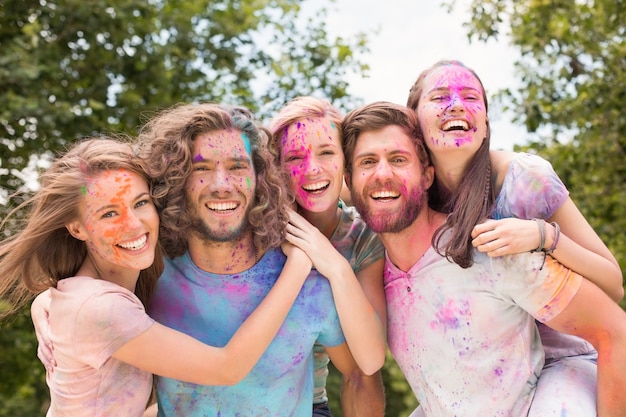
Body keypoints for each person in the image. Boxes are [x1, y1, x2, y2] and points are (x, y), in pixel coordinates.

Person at [340, 101, 626, 416]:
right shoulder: (368, 269)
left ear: (427, 176)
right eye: (368, 162)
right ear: (349, 182)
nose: (382, 173)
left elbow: (614, 331)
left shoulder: (491, 249)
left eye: (398, 159)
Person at [0, 137, 314, 417]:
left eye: (140, 203)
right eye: (109, 213)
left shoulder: (109, 285)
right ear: (77, 228)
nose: (134, 225)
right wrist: (299, 265)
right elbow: (227, 368)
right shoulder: (101, 308)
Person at [405, 59, 623, 415]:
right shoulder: (411, 194)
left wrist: (542, 236)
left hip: (558, 362)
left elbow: (614, 284)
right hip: (484, 382)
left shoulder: (524, 180)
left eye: (471, 97)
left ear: (486, 121)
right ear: (414, 119)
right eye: (440, 96)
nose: (457, 104)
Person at [136, 103, 379, 416]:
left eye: (237, 166)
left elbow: (362, 371)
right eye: (201, 168)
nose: (221, 185)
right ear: (175, 178)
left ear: (261, 179)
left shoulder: (313, 285)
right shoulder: (149, 274)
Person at [268, 96, 386, 417]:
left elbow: (369, 360)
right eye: (294, 157)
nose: (312, 169)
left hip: (308, 405)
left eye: (326, 153)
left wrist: (333, 264)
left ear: (345, 161)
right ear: (276, 168)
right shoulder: (258, 228)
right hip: (233, 395)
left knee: (366, 375)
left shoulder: (363, 235)